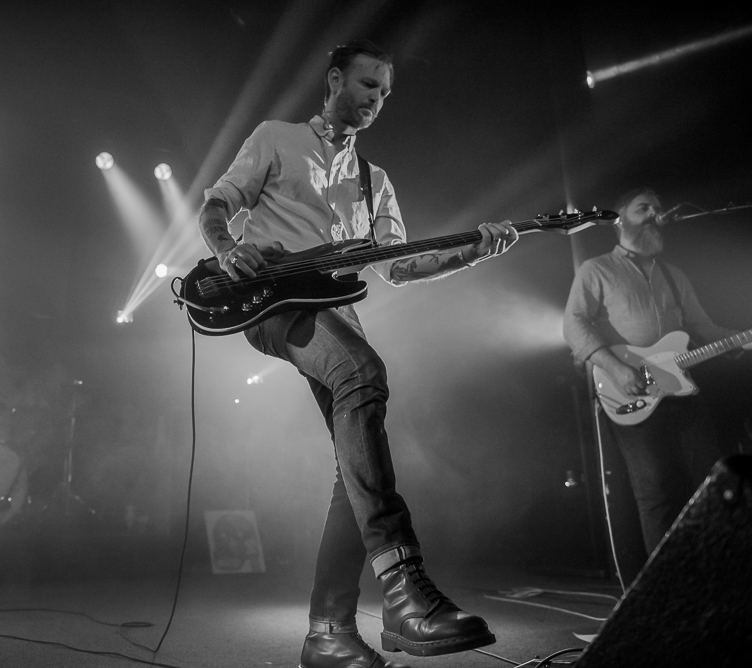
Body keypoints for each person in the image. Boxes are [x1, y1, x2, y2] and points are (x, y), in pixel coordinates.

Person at [198, 41, 519, 668]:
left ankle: (328, 634)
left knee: (354, 469)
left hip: (335, 314)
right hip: (270, 303)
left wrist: (475, 250)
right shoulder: (275, 137)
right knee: (364, 373)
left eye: (386, 93)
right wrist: (226, 248)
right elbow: (217, 204)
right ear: (335, 80)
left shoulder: (376, 182)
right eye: (369, 85)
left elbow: (399, 265)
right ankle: (403, 590)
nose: (378, 100)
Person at [563, 187, 752, 559]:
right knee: (656, 492)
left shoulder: (674, 275)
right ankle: (664, 584)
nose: (654, 213)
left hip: (680, 389)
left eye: (657, 208)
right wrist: (616, 368)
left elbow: (704, 328)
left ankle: (714, 566)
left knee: (712, 479)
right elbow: (574, 324)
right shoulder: (597, 269)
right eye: (643, 208)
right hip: (629, 390)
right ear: (620, 221)